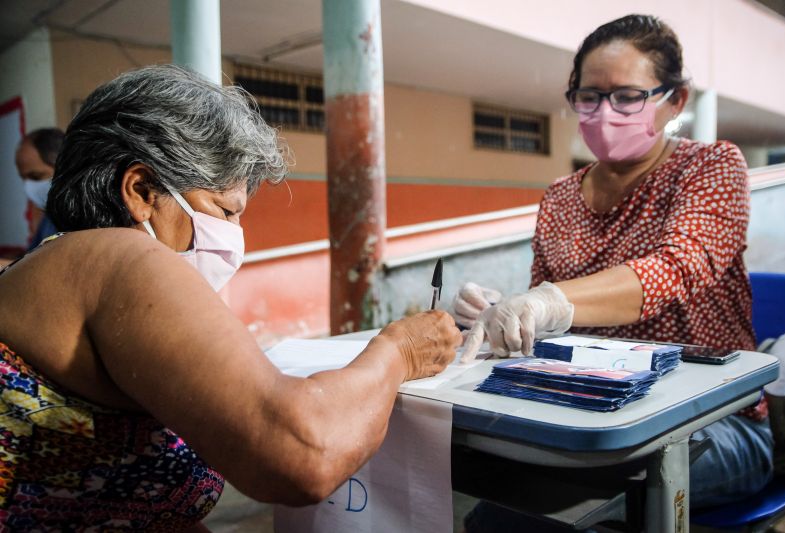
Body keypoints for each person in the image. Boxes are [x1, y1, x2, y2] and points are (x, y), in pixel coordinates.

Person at [0, 65, 462, 530]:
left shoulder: (59, 264)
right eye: (224, 211)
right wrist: (400, 351)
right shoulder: (120, 257)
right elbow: (301, 451)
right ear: (140, 191)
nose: (233, 235)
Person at [454, 14, 772, 529]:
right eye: (589, 96)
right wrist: (501, 310)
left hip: (712, 423)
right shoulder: (559, 197)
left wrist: (548, 300)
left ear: (676, 100)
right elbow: (549, 311)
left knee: (557, 511)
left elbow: (675, 267)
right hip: (588, 412)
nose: (606, 113)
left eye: (627, 96)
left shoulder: (712, 168)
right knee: (495, 510)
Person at [0, 129, 62, 268]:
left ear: (62, 165)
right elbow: (33, 257)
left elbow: (53, 271)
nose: (29, 187)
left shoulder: (80, 215)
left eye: (35, 177)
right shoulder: (49, 214)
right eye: (24, 179)